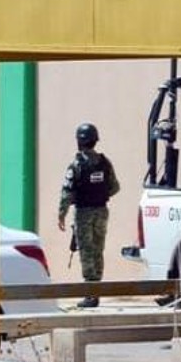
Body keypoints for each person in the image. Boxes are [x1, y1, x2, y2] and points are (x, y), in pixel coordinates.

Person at [58, 123, 120, 308]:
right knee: (98, 250)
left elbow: (67, 193)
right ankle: (96, 290)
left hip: (84, 213)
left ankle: (90, 294)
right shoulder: (104, 162)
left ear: (79, 141)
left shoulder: (76, 165)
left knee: (86, 251)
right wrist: (99, 194)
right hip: (101, 211)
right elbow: (115, 187)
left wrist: (62, 214)